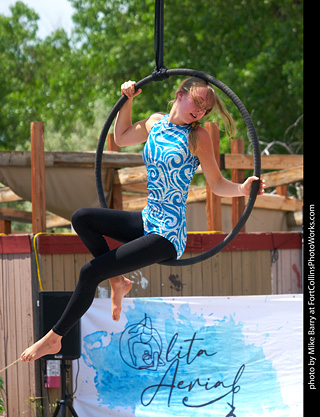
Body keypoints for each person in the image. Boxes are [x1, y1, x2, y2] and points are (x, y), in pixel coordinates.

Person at [21, 77, 265, 362]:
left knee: (90, 272)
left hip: (168, 235)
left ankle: (55, 338)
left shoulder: (197, 137)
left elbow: (216, 183)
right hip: (148, 220)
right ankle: (117, 281)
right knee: (82, 218)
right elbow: (121, 137)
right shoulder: (155, 123)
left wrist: (242, 189)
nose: (199, 113)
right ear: (179, 94)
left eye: (205, 110)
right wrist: (128, 99)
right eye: (197, 103)